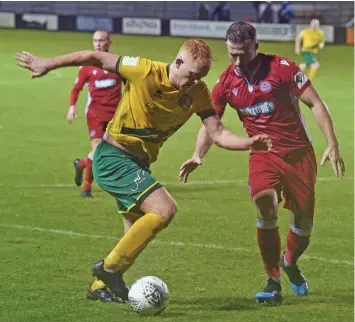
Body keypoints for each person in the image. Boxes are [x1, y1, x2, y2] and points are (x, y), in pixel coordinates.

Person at [16, 39, 271, 303]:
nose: (194, 82)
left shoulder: (197, 91)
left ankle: (99, 286)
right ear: (178, 62)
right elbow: (96, 56)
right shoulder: (144, 70)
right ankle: (107, 269)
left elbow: (216, 132)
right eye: (192, 76)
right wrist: (46, 63)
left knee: (134, 233)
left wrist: (247, 143)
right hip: (114, 157)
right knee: (165, 209)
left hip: (139, 164)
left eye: (200, 78)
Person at [179, 22, 344, 305]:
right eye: (232, 54)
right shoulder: (226, 83)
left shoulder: (282, 69)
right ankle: (273, 280)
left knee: (302, 226)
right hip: (263, 154)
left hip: (298, 154)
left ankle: (289, 262)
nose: (238, 60)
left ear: (256, 46)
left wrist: (332, 142)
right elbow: (211, 124)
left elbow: (315, 103)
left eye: (242, 53)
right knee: (264, 202)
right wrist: (198, 154)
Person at [68, 30, 123, 198]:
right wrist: (72, 106)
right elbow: (76, 88)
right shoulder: (87, 66)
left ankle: (82, 164)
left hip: (116, 115)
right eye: (95, 40)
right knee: (99, 150)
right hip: (95, 114)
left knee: (114, 152)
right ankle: (86, 188)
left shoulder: (118, 63)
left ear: (109, 42)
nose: (98, 44)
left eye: (102, 40)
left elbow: (131, 85)